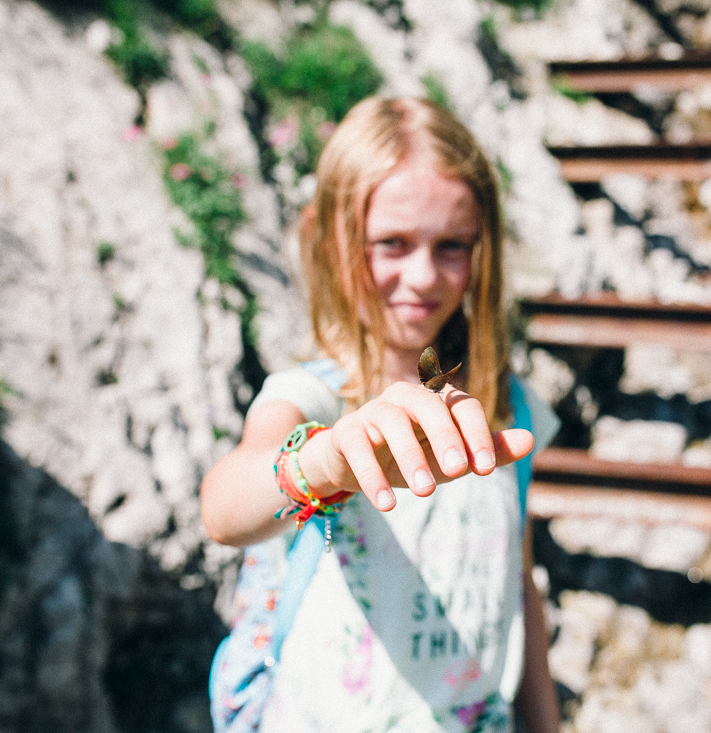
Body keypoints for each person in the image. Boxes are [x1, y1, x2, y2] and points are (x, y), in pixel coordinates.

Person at [201, 96, 561, 733]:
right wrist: (324, 462)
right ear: (334, 241)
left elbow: (518, 584)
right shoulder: (309, 399)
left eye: (452, 246)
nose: (423, 276)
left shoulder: (507, 408)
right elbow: (226, 508)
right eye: (391, 244)